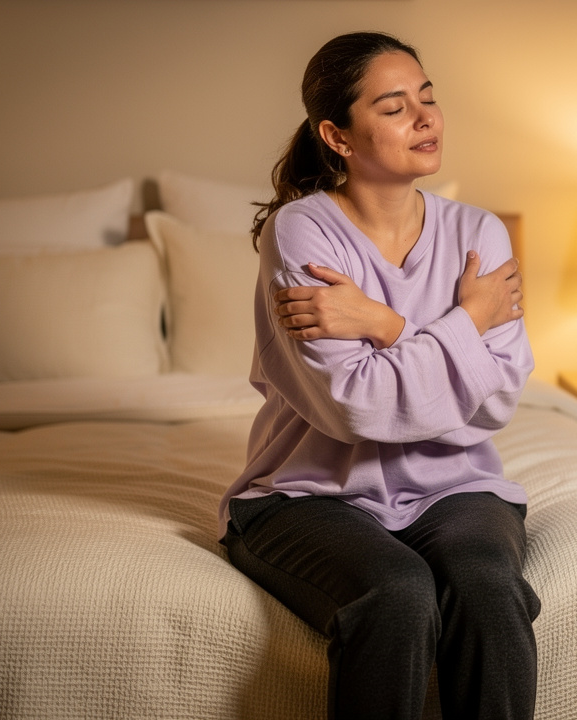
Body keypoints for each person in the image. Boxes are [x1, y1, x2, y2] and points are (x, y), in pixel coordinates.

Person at [217, 32, 539, 720]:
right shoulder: (301, 232)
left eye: (428, 98)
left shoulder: (480, 233)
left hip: (457, 486)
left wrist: (383, 324)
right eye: (394, 108)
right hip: (307, 496)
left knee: (487, 587)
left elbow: (496, 401)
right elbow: (356, 408)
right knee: (397, 592)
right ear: (337, 136)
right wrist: (468, 324)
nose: (424, 118)